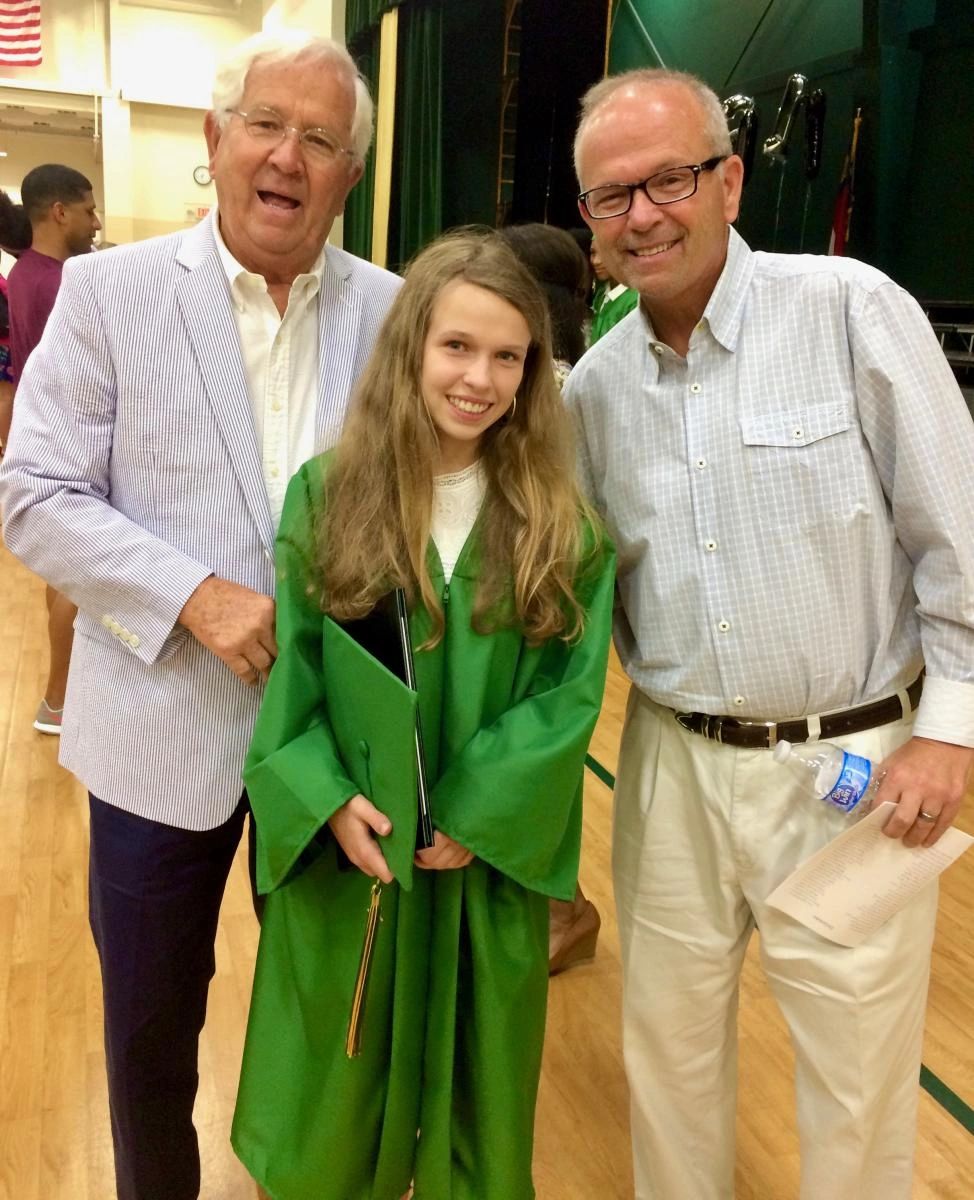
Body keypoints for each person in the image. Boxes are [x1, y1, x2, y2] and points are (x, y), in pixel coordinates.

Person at [0, 29, 401, 1200]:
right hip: (157, 741)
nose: (289, 155)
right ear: (216, 142)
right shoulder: (108, 292)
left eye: (321, 139)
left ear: (350, 173)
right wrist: (193, 597)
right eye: (267, 125)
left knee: (332, 1028)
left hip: (332, 750)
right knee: (146, 1040)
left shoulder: (393, 311)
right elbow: (32, 498)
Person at [565, 67, 974, 1200]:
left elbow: (959, 537)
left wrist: (948, 734)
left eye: (668, 180)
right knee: (667, 1049)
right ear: (589, 220)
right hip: (669, 765)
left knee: (855, 1073)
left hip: (853, 769)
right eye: (611, 196)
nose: (642, 214)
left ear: (729, 179)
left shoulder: (847, 311)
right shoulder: (592, 392)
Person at [231, 228, 615, 1200]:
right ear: (410, 348)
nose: (478, 378)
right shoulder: (333, 497)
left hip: (477, 865)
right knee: (335, 1088)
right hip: (359, 855)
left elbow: (564, 699)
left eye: (506, 356)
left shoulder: (555, 524)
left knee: (473, 1088)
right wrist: (323, 798)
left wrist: (477, 814)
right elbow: (298, 680)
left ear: (533, 371)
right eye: (456, 346)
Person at [498, 221, 603, 973]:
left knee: (544, 757)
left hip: (544, 587)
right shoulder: (565, 366)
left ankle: (564, 909)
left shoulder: (560, 385)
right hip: (513, 584)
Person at [4, 165, 99, 733]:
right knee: (78, 579)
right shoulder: (63, 281)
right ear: (59, 211)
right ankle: (58, 701)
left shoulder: (25, 273)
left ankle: (60, 693)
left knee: (60, 578)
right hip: (68, 441)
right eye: (87, 210)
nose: (95, 221)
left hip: (42, 435)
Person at [0, 188, 32, 459]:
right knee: (6, 396)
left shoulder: (18, 270)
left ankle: (10, 448)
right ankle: (11, 449)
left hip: (9, 343)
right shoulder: (28, 272)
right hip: (5, 344)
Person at [588, 239, 637, 344]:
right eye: (593, 253)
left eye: (604, 253)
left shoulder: (635, 301)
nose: (596, 261)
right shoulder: (601, 294)